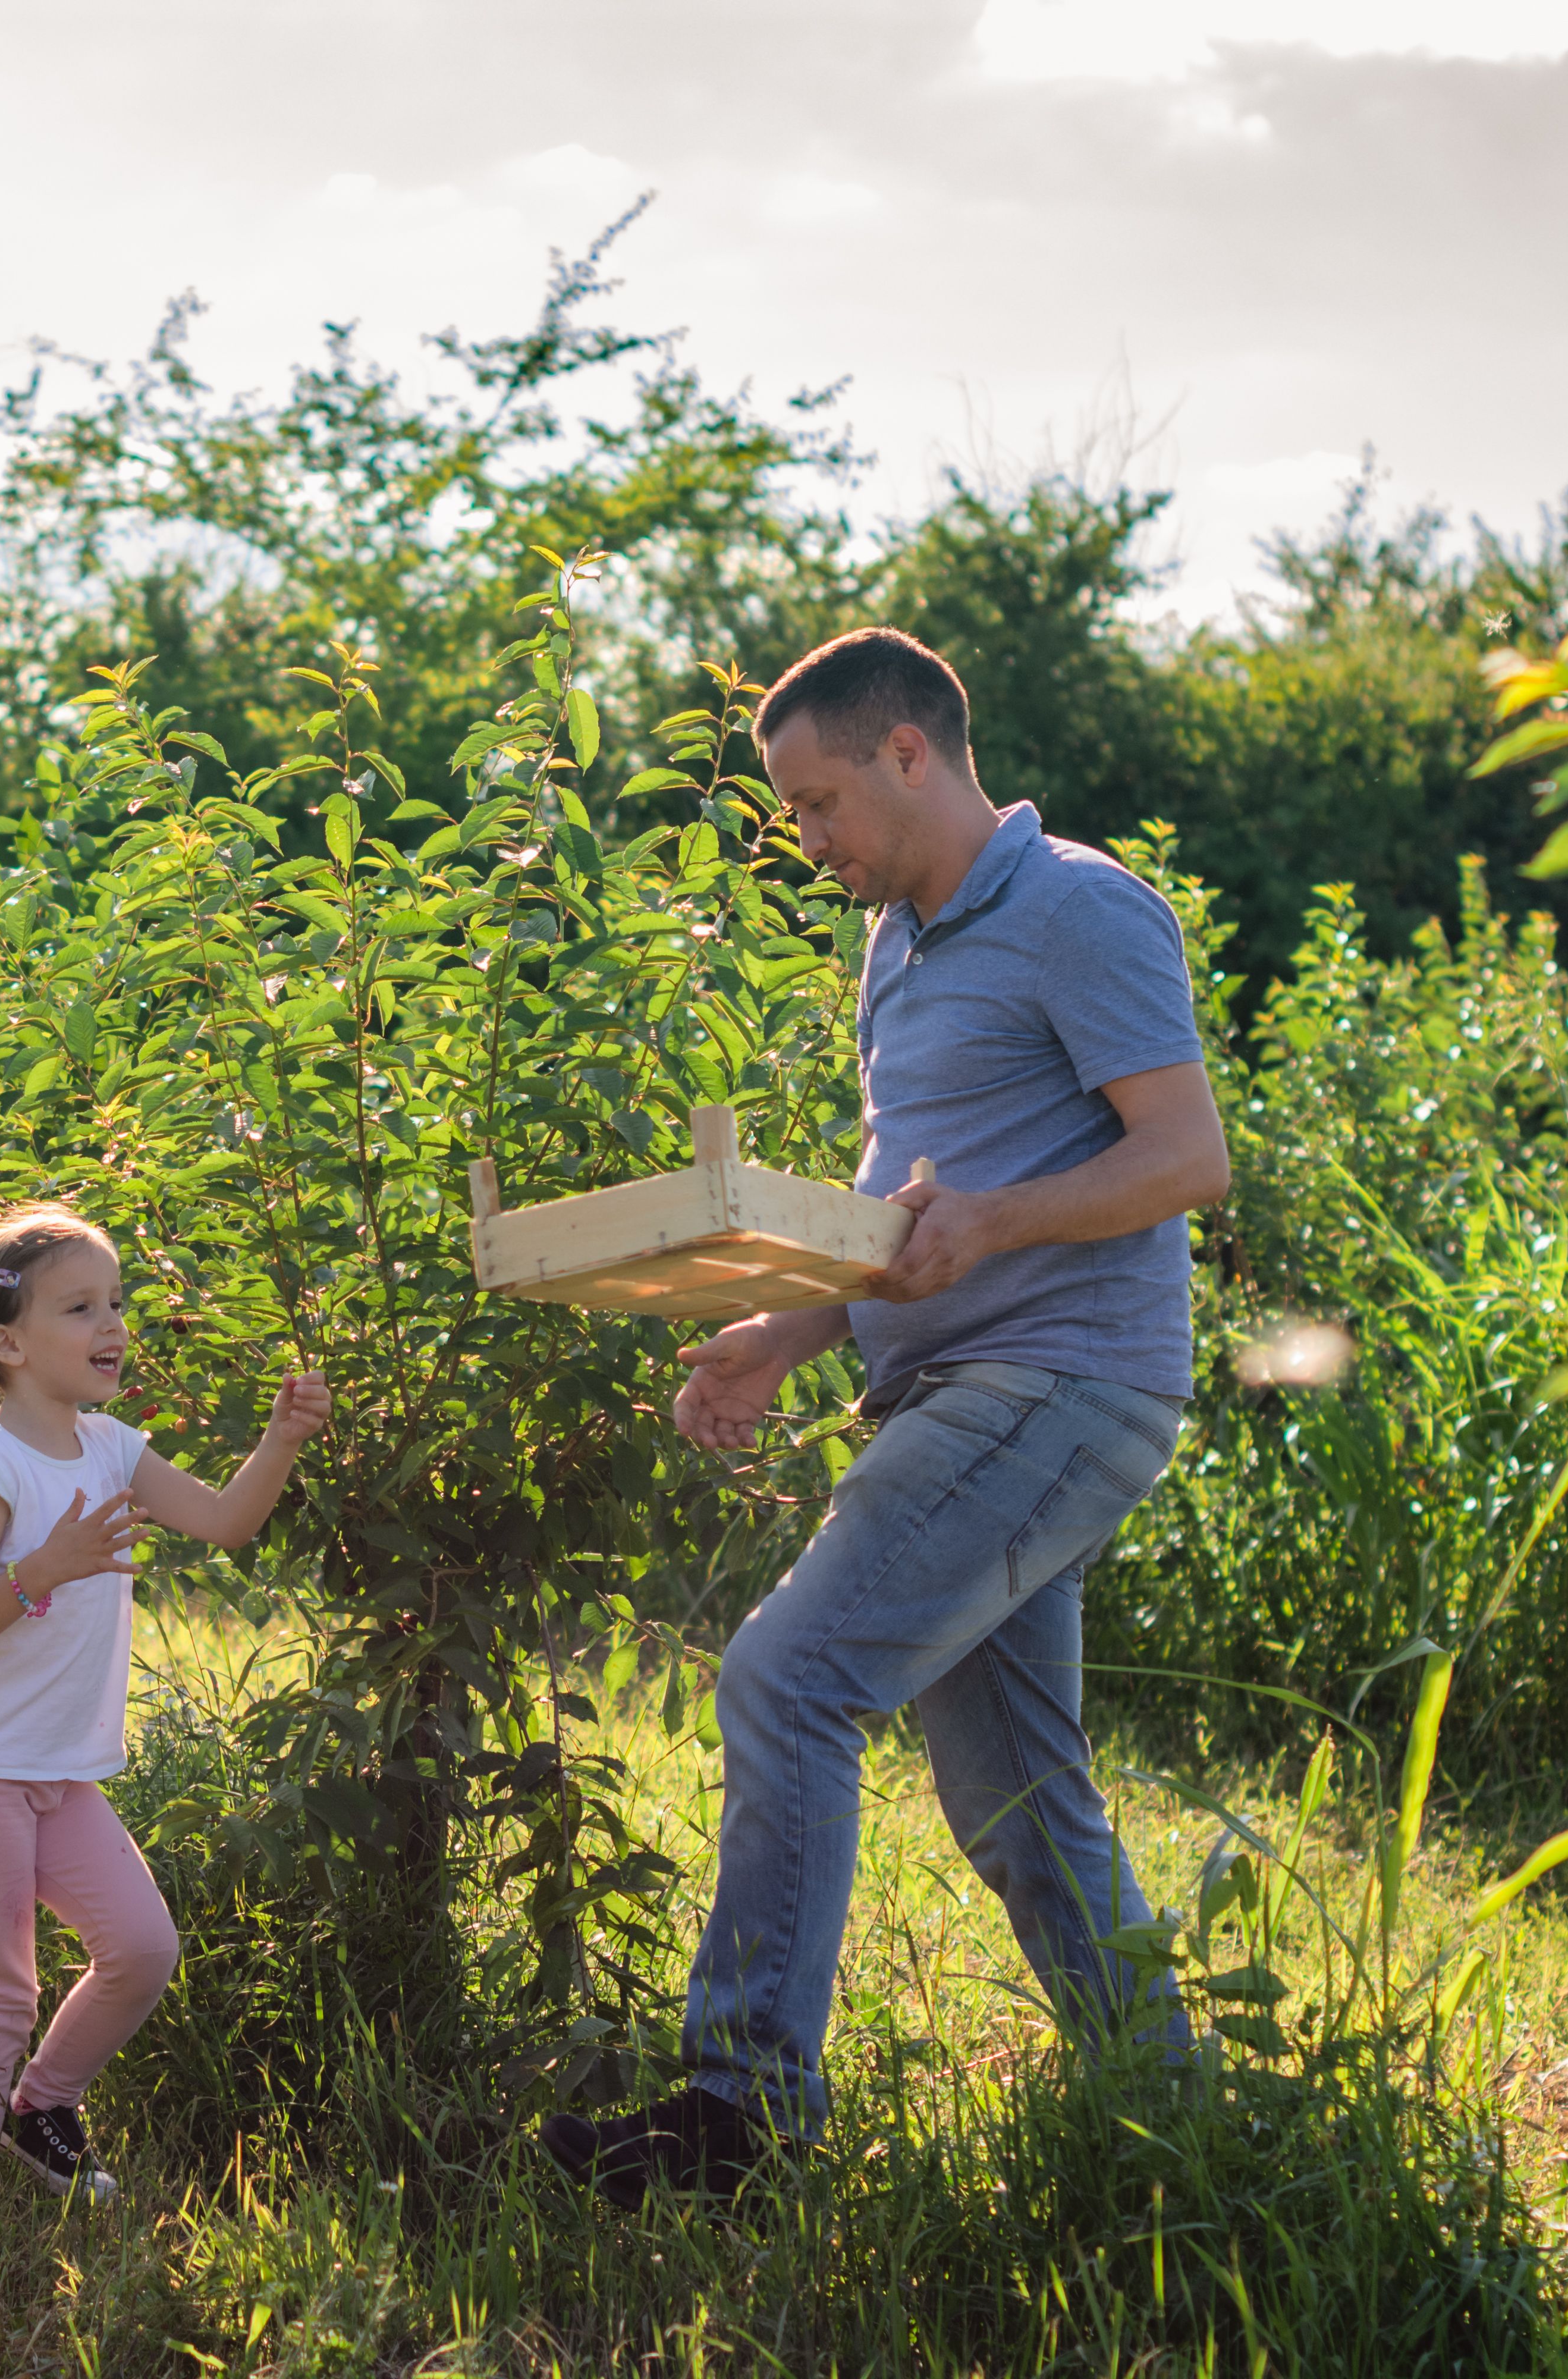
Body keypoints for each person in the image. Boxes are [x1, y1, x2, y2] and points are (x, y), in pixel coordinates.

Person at [539, 626, 1230, 2207]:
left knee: (790, 1679)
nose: (807, 838)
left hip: (1058, 1379)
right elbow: (899, 1209)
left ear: (910, 753)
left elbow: (1187, 1158)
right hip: (955, 1388)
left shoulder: (1080, 906)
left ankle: (743, 2116)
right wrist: (789, 1329)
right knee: (1015, 1796)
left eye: (818, 801)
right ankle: (1173, 2124)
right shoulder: (898, 944)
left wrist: (992, 1225)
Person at [0, 1201, 332, 2209]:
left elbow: (227, 1523)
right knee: (0, 2004)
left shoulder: (112, 1447)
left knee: (141, 1951)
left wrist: (280, 1438)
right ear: (8, 1344)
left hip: (54, 1777)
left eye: (117, 1304)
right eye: (81, 1308)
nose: (114, 1327)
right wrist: (40, 1570)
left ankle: (39, 2109)